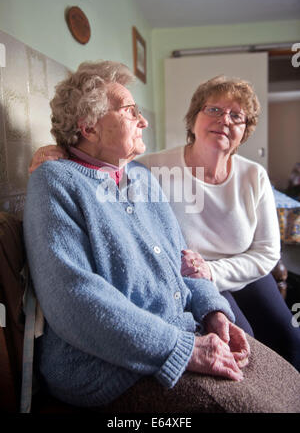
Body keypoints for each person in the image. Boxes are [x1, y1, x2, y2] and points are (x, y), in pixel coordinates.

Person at [25, 62, 300, 413]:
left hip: (194, 317)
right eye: (131, 112)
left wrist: (213, 310)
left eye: (237, 116)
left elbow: (182, 259)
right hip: (110, 367)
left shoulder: (140, 176)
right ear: (89, 125)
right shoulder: (57, 181)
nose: (144, 121)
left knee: (287, 378)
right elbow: (74, 298)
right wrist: (180, 348)